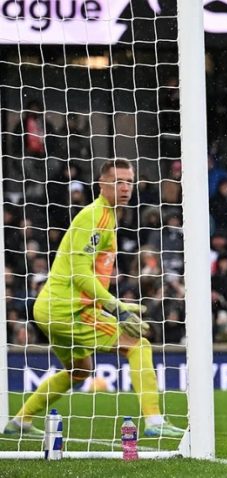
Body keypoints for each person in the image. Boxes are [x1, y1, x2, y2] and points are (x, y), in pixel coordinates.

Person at [4, 159, 185, 438]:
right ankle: (154, 421)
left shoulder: (109, 216)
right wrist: (115, 305)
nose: (125, 188)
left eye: (129, 182)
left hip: (51, 309)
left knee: (79, 371)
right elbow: (79, 274)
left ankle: (20, 422)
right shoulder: (95, 216)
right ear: (102, 184)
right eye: (118, 181)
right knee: (139, 345)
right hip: (69, 310)